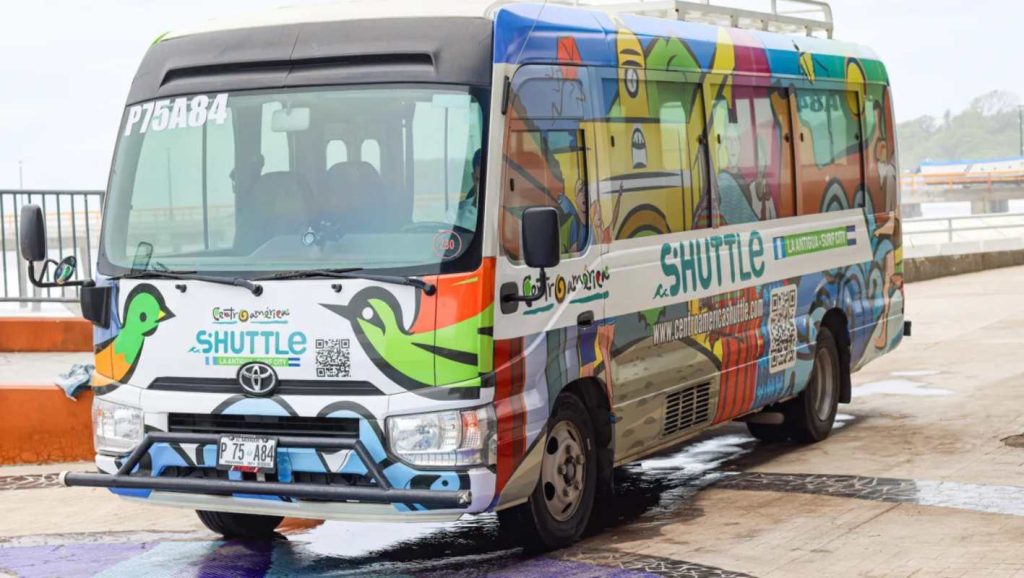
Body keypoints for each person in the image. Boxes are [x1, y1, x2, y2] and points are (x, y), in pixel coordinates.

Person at [454, 149, 482, 230]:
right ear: (473, 178)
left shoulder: (509, 214)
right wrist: (474, 206)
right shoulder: (456, 212)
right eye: (479, 179)